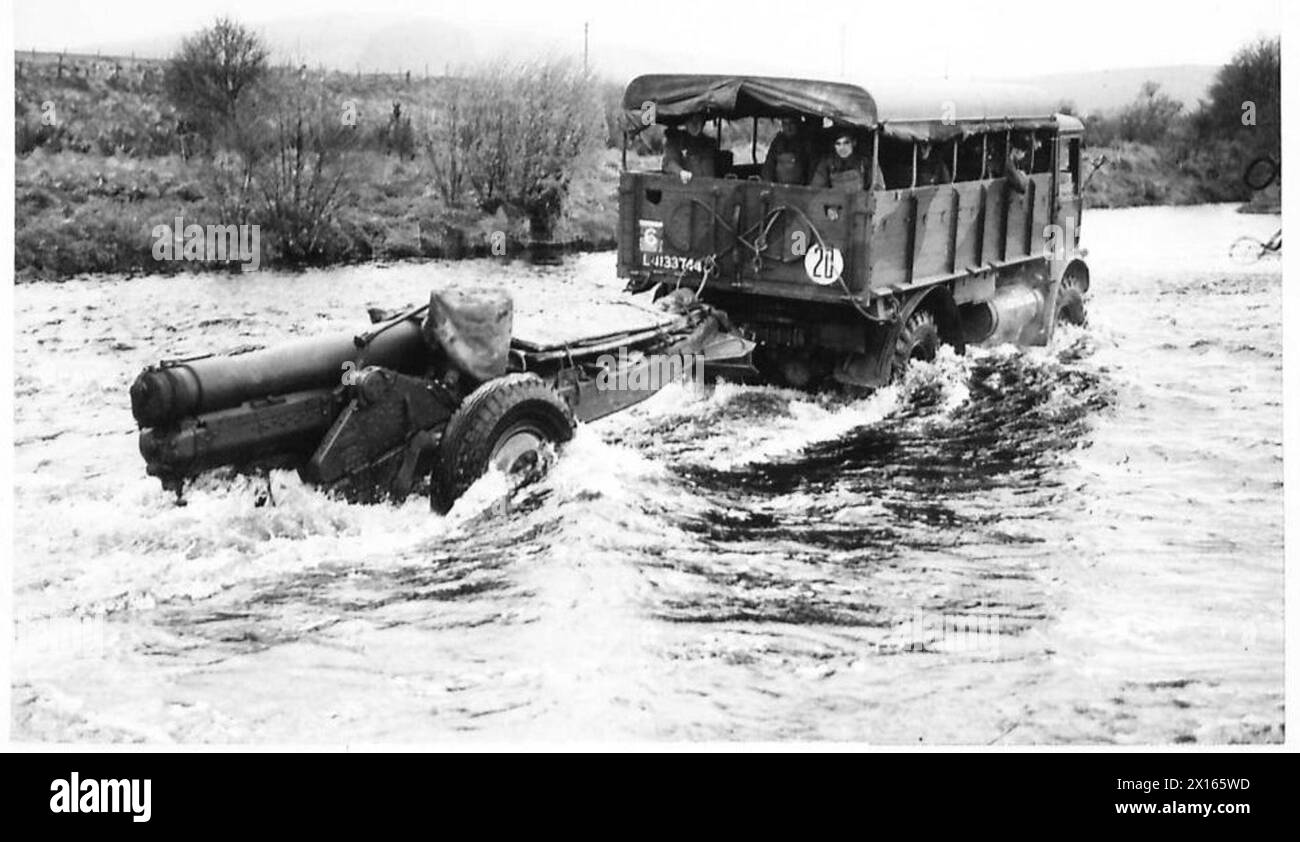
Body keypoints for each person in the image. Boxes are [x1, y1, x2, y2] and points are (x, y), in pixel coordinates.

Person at [811, 130, 879, 190]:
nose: (842, 148)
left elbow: (878, 188)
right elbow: (817, 188)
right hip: (836, 202)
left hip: (860, 202)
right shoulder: (828, 162)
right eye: (838, 144)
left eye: (846, 143)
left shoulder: (865, 162)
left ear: (854, 143)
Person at [662, 115, 718, 183]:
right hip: (685, 189)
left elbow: (711, 171)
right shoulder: (676, 140)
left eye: (698, 120)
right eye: (691, 120)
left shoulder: (709, 143)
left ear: (703, 123)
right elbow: (668, 163)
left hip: (708, 187)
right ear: (686, 122)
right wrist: (680, 172)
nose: (695, 124)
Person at [761, 117, 814, 184]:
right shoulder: (777, 142)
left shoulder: (806, 142)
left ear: (798, 124)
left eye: (791, 124)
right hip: (780, 186)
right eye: (785, 124)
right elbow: (768, 167)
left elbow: (812, 169)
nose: (788, 128)